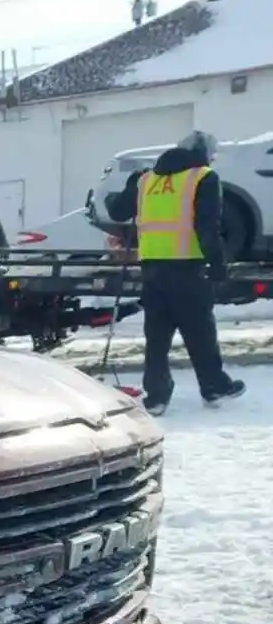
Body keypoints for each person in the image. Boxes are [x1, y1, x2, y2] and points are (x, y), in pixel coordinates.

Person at [101, 130, 246, 413]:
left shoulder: (146, 180)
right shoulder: (203, 178)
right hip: (187, 267)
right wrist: (218, 264)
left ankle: (156, 396)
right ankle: (214, 386)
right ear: (204, 154)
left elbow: (117, 211)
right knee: (200, 331)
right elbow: (207, 227)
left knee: (157, 336)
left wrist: (116, 195)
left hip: (152, 269)